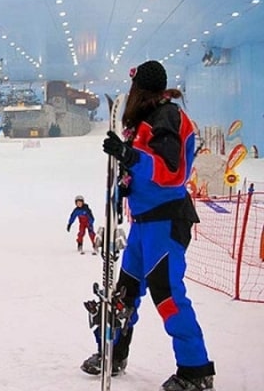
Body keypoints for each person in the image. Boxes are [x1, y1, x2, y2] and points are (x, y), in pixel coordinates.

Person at [80, 60, 215, 390]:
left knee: (167, 293)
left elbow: (172, 172)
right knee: (124, 294)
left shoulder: (167, 117)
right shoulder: (145, 120)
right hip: (143, 223)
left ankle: (196, 370)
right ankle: (114, 352)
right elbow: (139, 174)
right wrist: (122, 186)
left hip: (165, 221)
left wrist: (130, 157)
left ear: (142, 89)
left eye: (134, 88)